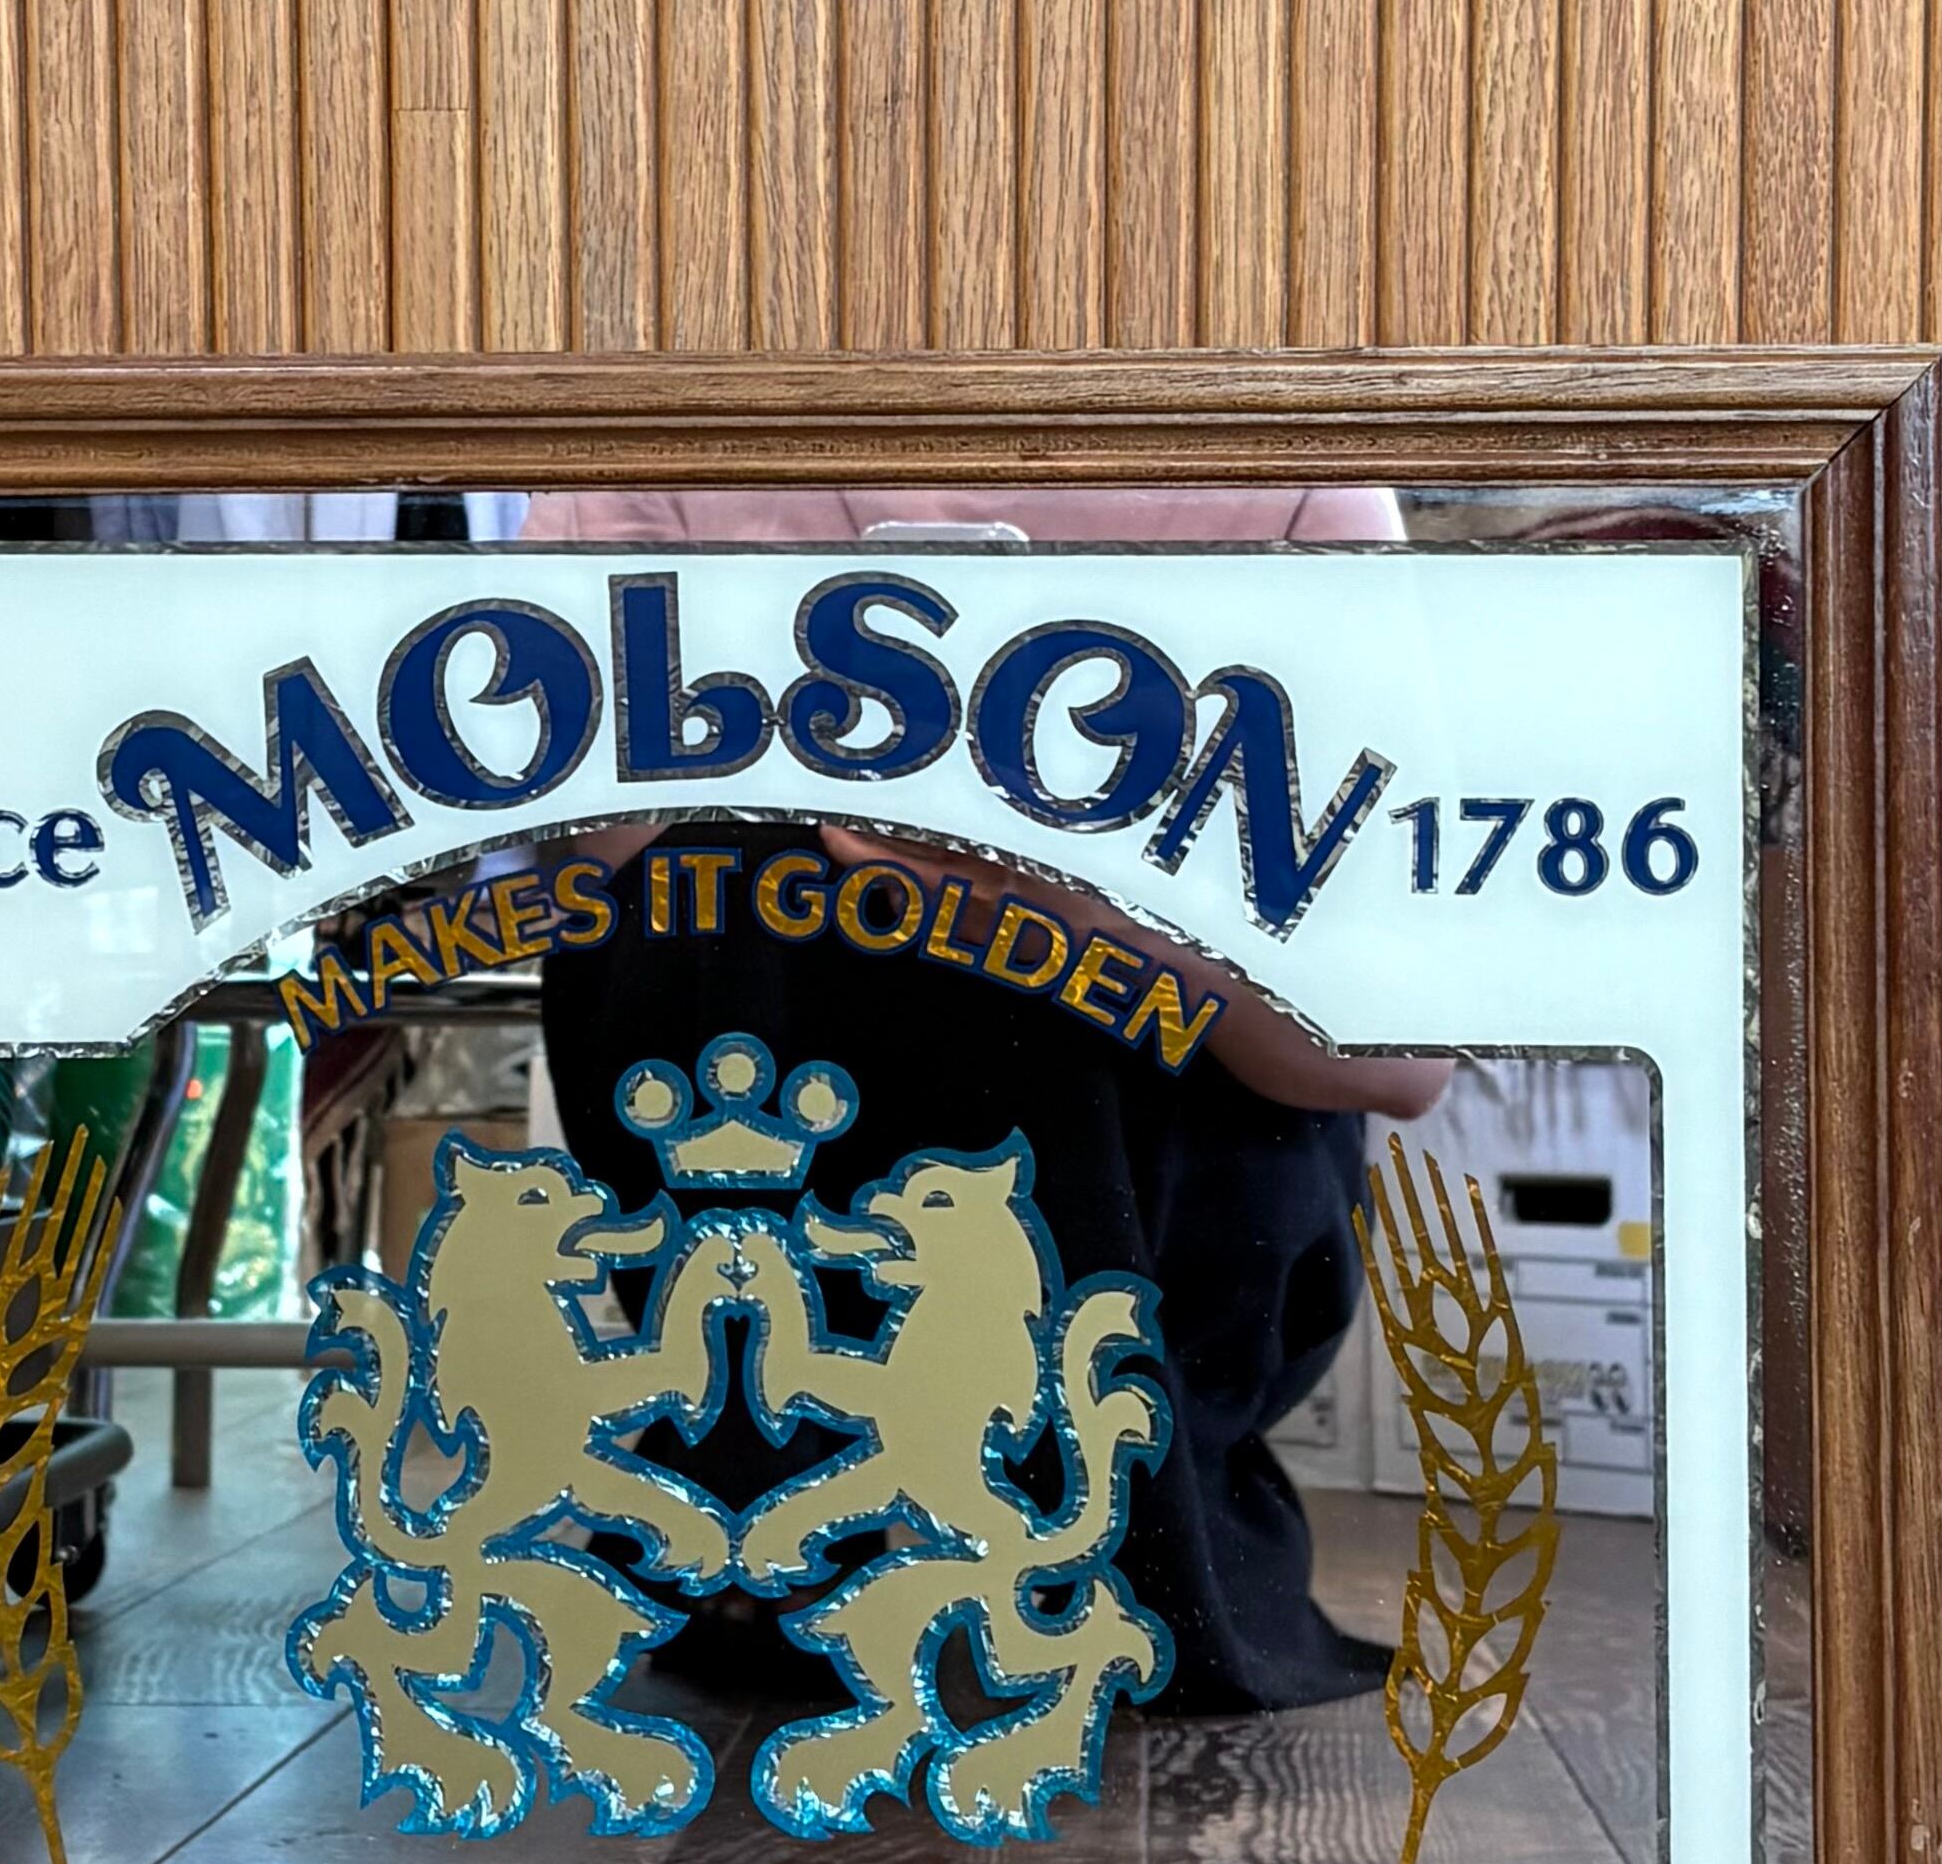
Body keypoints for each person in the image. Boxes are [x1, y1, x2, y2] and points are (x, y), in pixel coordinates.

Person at [518, 484, 1448, 1717]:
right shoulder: (650, 455)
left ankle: (827, 1519)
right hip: (1038, 1380)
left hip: (1087, 1319)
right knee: (734, 878)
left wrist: (1066, 904)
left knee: (781, 890)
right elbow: (580, 884)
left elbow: (1398, 1057)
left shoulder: (1292, 474)